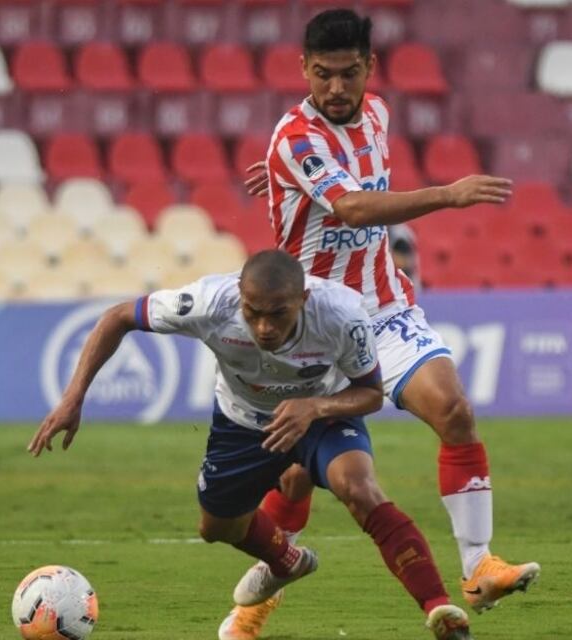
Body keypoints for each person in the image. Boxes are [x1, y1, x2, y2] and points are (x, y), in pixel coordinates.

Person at [221, 9, 540, 640]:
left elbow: (347, 183)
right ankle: (252, 609)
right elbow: (351, 206)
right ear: (303, 69)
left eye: (348, 73)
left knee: (454, 410)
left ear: (370, 67)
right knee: (296, 477)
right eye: (322, 74)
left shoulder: (378, 115)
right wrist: (447, 194)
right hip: (311, 325)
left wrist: (284, 182)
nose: (335, 87)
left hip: (385, 309)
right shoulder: (296, 138)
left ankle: (479, 567)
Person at [28, 250, 475, 640]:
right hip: (242, 423)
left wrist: (314, 408)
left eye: (278, 314)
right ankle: (286, 560)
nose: (264, 327)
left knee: (358, 488)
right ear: (239, 295)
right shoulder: (209, 302)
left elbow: (371, 394)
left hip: (322, 414)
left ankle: (440, 609)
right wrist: (73, 398)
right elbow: (118, 317)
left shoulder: (342, 314)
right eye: (253, 312)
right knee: (216, 527)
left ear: (304, 299)